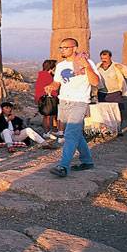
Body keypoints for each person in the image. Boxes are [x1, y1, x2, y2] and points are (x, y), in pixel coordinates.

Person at [44, 38, 99, 178]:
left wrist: (86, 66)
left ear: (74, 48)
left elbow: (95, 82)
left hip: (79, 102)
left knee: (69, 134)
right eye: (61, 48)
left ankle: (63, 166)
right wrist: (51, 86)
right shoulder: (61, 66)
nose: (62, 50)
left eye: (65, 48)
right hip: (64, 102)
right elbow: (57, 82)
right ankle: (87, 161)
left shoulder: (87, 62)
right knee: (76, 134)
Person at [34, 59, 59, 138]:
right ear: (51, 67)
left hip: (41, 98)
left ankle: (47, 132)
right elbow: (52, 88)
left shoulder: (41, 74)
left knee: (47, 116)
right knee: (49, 116)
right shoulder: (47, 76)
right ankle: (48, 132)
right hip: (47, 99)